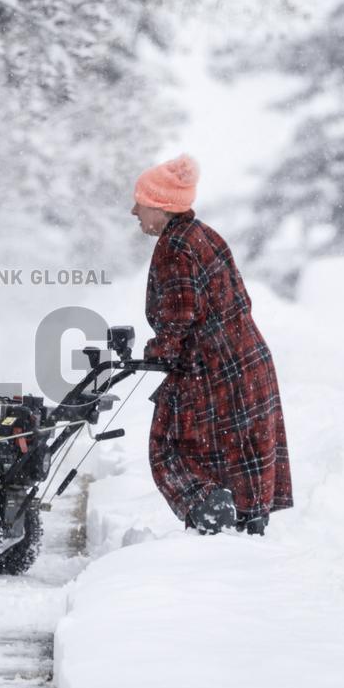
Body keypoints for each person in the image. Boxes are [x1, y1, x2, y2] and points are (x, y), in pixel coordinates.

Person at [131, 154, 293, 535]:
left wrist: (159, 352)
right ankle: (247, 521)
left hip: (213, 365)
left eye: (139, 202)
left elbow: (180, 314)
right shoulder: (203, 233)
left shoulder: (174, 247)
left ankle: (209, 513)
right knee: (238, 446)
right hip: (246, 359)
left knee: (168, 444)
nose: (133, 210)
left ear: (160, 205)